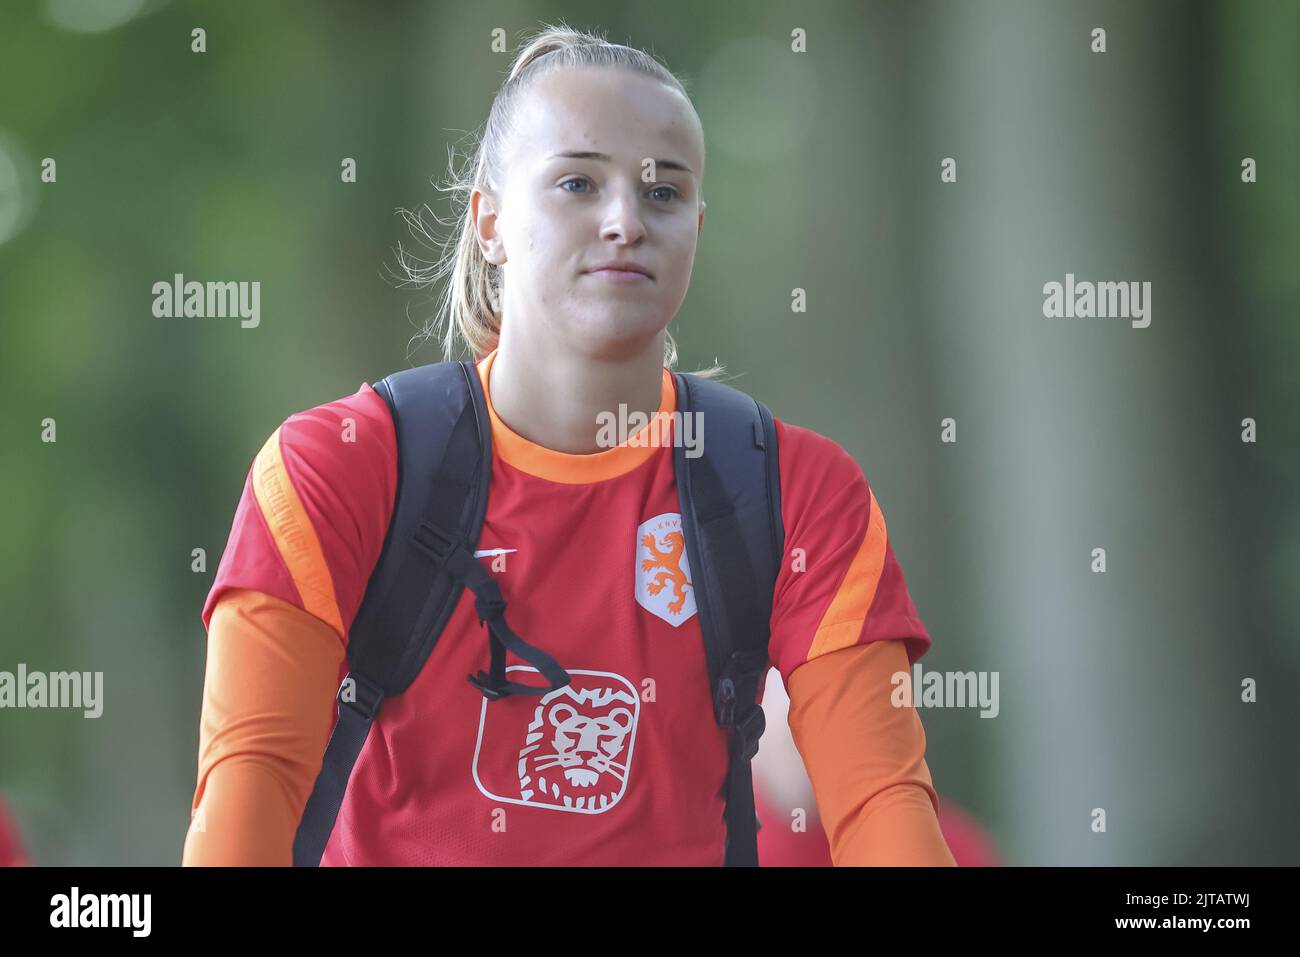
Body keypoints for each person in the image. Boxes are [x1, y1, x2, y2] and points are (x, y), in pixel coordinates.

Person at [183, 23, 955, 867]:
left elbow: (884, 809)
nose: (625, 220)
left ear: (698, 223)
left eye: (662, 193)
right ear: (490, 222)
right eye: (578, 182)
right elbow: (247, 797)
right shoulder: (334, 468)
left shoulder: (797, 492)